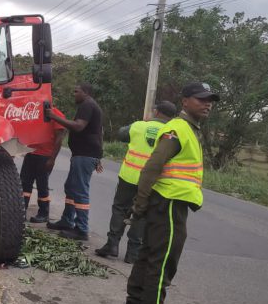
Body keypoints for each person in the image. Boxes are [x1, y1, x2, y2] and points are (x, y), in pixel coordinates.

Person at [121, 82, 219, 304]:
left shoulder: (187, 129)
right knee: (162, 264)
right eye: (201, 99)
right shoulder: (177, 129)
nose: (207, 103)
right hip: (169, 204)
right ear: (185, 101)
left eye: (210, 100)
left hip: (167, 202)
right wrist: (139, 205)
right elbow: (152, 167)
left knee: (148, 257)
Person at [95, 101, 177, 263]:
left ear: (156, 111)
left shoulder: (139, 126)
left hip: (129, 177)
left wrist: (143, 123)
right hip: (152, 183)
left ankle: (112, 245)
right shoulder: (172, 133)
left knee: (120, 209)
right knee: (142, 213)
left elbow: (121, 134)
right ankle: (133, 253)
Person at [44, 83, 103, 241]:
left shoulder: (87, 105)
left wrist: (54, 117)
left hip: (85, 154)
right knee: (71, 187)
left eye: (76, 91)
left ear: (86, 92)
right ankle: (67, 221)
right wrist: (99, 156)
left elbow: (78, 127)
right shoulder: (89, 105)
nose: (74, 94)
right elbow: (99, 132)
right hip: (83, 154)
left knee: (80, 191)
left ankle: (81, 229)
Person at [20, 107, 67, 223]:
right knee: (24, 184)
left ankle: (43, 213)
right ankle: (21, 211)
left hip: (45, 156)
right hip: (31, 153)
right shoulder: (32, 111)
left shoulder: (56, 114)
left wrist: (52, 159)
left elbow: (59, 138)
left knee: (42, 185)